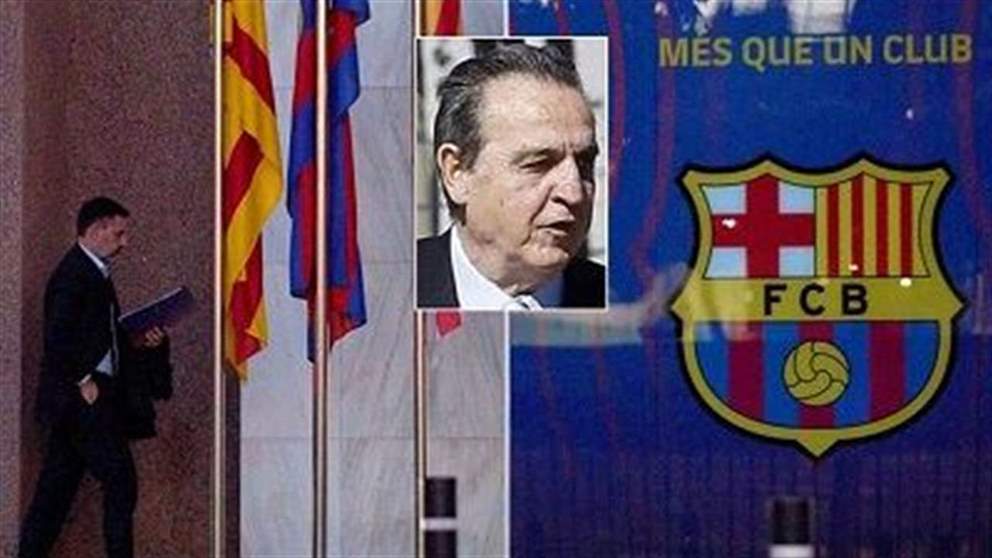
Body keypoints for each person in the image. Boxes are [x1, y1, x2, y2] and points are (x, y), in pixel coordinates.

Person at [19, 197, 173, 558]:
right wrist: (82, 381)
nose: (124, 243)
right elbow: (58, 336)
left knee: (55, 494)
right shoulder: (74, 274)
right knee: (121, 482)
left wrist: (144, 341)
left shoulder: (91, 272)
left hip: (83, 403)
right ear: (97, 228)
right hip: (84, 401)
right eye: (119, 234)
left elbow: (98, 337)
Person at [417, 43, 605, 310]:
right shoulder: (386, 288)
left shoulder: (628, 301)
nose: (574, 193)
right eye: (539, 164)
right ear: (456, 172)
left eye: (584, 163)